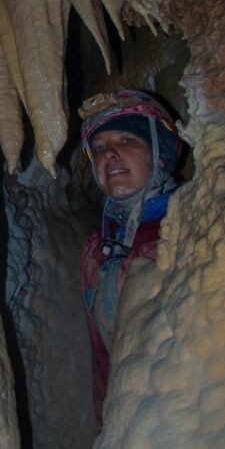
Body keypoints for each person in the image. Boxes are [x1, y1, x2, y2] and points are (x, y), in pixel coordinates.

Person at [78, 88, 182, 429]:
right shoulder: (97, 249)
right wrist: (107, 430)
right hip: (132, 432)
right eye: (99, 148)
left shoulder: (194, 221)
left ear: (158, 152)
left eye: (127, 140)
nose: (110, 154)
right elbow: (101, 361)